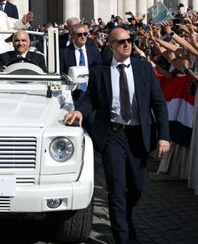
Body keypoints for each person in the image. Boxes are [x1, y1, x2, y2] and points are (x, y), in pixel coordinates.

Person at [64, 27, 169, 244]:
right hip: (113, 136)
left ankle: (126, 218)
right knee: (116, 189)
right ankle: (121, 236)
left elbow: (158, 104)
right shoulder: (100, 70)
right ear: (110, 45)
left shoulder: (143, 69)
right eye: (121, 42)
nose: (127, 44)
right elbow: (91, 98)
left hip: (138, 135)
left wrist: (164, 136)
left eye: (129, 40)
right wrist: (79, 111)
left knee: (137, 187)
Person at [60, 23, 103, 111]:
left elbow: (99, 72)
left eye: (85, 34)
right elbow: (61, 73)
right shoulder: (64, 52)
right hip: (72, 95)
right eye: (80, 35)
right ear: (72, 35)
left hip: (91, 95)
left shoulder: (94, 52)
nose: (83, 37)